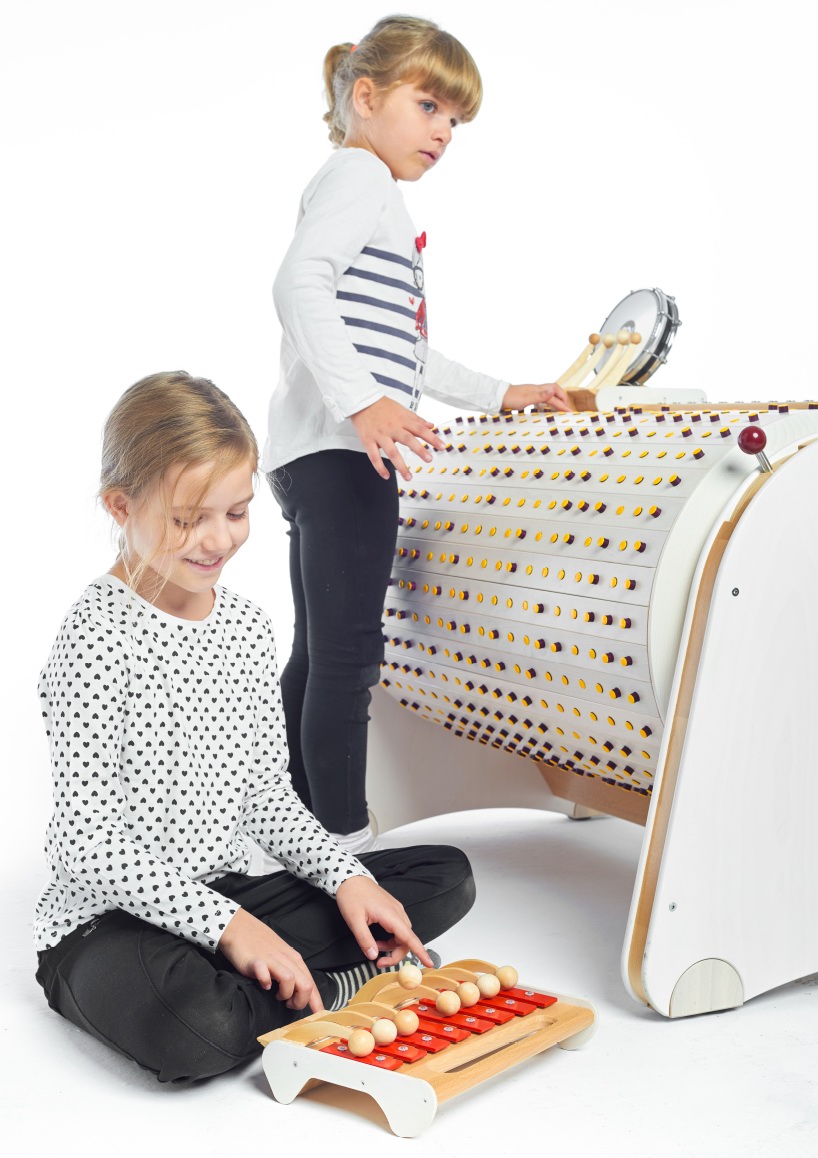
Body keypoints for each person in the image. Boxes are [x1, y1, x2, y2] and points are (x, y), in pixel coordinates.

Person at [34, 371, 476, 1083]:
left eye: (237, 512)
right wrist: (230, 929)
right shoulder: (95, 639)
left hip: (227, 890)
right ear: (121, 505)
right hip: (110, 923)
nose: (218, 540)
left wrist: (343, 876)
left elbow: (267, 794)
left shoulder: (245, 628)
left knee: (443, 879)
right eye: (188, 519)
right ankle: (326, 983)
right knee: (198, 1027)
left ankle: (280, 978)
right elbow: (86, 841)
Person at [263, 14, 571, 855]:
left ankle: (293, 829)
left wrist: (501, 393)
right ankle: (343, 847)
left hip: (312, 451)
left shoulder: (364, 187)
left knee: (321, 650)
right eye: (429, 106)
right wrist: (363, 404)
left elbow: (404, 347)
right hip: (342, 451)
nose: (443, 132)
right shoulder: (362, 177)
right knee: (350, 657)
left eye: (455, 120)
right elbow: (297, 284)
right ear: (365, 97)